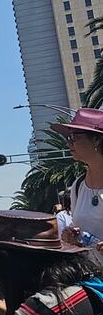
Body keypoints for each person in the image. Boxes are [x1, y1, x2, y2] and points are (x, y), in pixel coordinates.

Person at [51, 108, 103, 270]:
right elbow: (78, 226)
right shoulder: (78, 185)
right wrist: (71, 235)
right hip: (93, 274)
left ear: (96, 140)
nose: (69, 143)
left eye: (74, 137)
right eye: (68, 138)